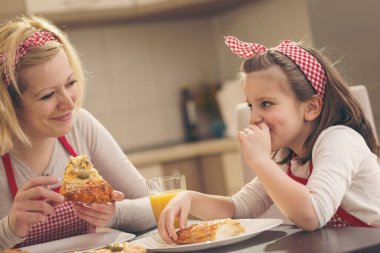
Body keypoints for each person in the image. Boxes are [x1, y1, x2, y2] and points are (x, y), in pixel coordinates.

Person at [157, 36, 380, 243]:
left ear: (311, 107)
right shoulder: (288, 156)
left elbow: (313, 215)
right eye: (250, 106)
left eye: (266, 104)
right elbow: (239, 208)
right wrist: (189, 198)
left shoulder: (339, 140)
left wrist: (260, 162)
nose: (253, 118)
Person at [0, 15, 155, 250]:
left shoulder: (80, 125)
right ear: (10, 105)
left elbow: (156, 208)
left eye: (70, 83)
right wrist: (10, 228)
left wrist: (113, 213)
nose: (69, 103)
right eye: (48, 95)